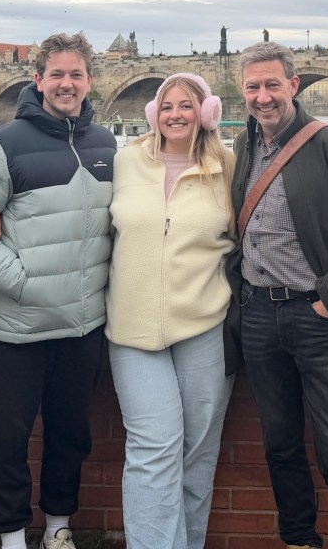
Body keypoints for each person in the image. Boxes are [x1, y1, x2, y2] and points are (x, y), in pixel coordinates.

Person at [0, 32, 115, 549]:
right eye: (56, 74)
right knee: (10, 435)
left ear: (89, 81)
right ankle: (13, 533)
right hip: (17, 326)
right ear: (38, 80)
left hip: (83, 323)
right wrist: (19, 281)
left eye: (76, 74)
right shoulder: (4, 144)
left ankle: (59, 526)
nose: (67, 84)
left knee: (71, 433)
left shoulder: (107, 145)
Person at [227, 42, 328, 549]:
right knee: (279, 443)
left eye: (272, 85)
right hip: (258, 314)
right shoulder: (244, 145)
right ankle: (299, 539)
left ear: (293, 85)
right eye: (253, 87)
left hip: (315, 317)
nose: (262, 96)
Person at [107, 73, 236, 549]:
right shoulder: (125, 161)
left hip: (206, 325)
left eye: (186, 106)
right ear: (153, 114)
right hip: (132, 328)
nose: (175, 115)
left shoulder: (228, 166)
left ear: (206, 113)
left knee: (198, 452)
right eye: (167, 106)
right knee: (153, 448)